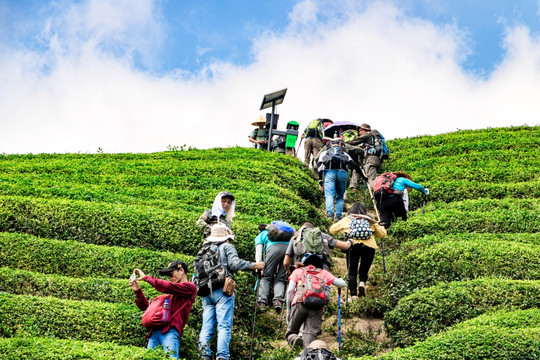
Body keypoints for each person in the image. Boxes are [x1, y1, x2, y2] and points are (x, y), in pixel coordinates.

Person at [198, 224, 265, 360]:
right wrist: (254, 265)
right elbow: (235, 264)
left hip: (206, 291)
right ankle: (222, 356)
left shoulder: (204, 250)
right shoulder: (227, 246)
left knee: (206, 327)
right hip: (223, 290)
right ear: (226, 237)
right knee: (224, 326)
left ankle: (203, 355)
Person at [129, 260, 197, 359]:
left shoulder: (190, 287)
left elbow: (167, 286)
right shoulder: (166, 296)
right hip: (154, 331)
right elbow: (146, 308)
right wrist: (138, 291)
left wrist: (147, 278)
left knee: (171, 358)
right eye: (168, 276)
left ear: (181, 270)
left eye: (170, 274)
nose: (169, 278)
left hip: (170, 331)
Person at [286, 254, 346, 348]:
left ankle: (294, 339)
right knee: (309, 340)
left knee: (291, 332)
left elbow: (290, 291)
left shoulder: (298, 271)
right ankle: (307, 351)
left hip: (299, 303)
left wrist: (289, 310)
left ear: (304, 263)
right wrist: (340, 280)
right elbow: (342, 284)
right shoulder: (323, 272)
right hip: (317, 306)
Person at [330, 202, 386, 300]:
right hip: (369, 246)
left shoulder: (348, 219)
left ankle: (353, 295)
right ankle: (362, 282)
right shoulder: (370, 220)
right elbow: (382, 235)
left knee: (352, 272)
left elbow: (332, 230)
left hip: (353, 245)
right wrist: (380, 225)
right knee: (364, 269)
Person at [316, 138, 364, 221]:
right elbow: (355, 165)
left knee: (329, 195)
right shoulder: (343, 153)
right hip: (342, 173)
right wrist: (364, 177)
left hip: (329, 173)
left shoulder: (324, 152)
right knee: (340, 196)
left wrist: (320, 180)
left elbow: (320, 166)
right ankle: (338, 216)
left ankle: (330, 215)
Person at [283, 221, 352, 275]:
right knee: (324, 290)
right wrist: (350, 241)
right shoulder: (322, 235)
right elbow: (345, 246)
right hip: (323, 270)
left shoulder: (295, 238)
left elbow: (286, 262)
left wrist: (289, 271)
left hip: (301, 271)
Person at [255, 221, 295, 312]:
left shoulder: (262, 234)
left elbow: (259, 249)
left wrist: (258, 264)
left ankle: (262, 302)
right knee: (280, 278)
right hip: (288, 250)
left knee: (266, 277)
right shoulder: (282, 234)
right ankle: (278, 301)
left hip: (273, 250)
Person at [347, 123, 381, 188]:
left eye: (361, 130)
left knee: (371, 178)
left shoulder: (368, 134)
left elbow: (354, 142)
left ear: (366, 130)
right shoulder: (371, 138)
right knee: (357, 170)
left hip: (372, 158)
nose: (359, 133)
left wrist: (342, 143)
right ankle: (354, 188)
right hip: (373, 159)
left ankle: (374, 194)